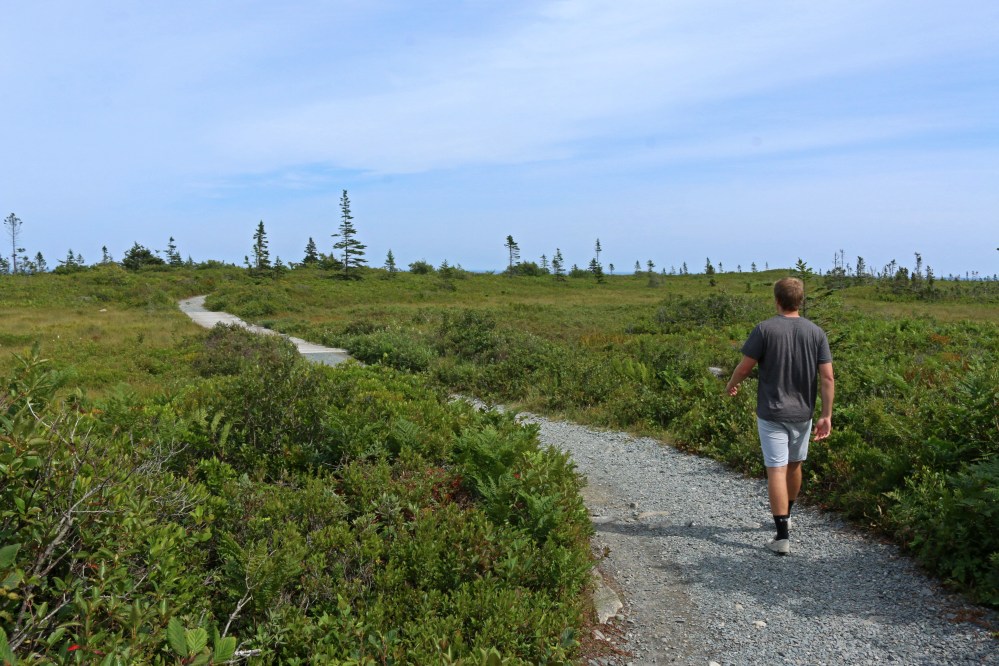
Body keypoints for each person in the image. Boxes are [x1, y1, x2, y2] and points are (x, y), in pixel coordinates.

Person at [725, 277, 834, 555]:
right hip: (803, 413)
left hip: (772, 412)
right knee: (794, 465)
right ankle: (788, 514)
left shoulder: (764, 330)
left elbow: (745, 366)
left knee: (775, 469)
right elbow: (828, 378)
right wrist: (826, 415)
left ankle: (782, 535)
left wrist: (732, 383)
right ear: (800, 301)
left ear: (776, 300)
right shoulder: (816, 332)